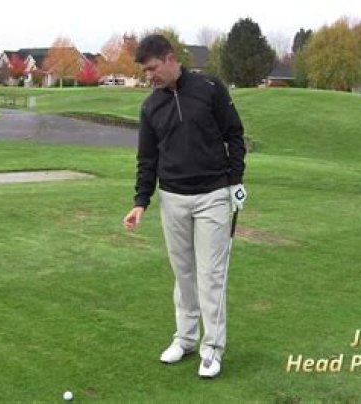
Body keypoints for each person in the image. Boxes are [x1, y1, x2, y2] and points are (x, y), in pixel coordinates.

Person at [123, 34, 247, 378]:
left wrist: (235, 181)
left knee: (211, 275)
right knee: (183, 273)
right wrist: (141, 201)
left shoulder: (209, 88)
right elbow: (147, 159)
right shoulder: (150, 107)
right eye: (146, 71)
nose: (149, 76)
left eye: (153, 69)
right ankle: (186, 338)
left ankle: (212, 349)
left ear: (170, 58)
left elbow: (234, 135)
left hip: (212, 196)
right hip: (173, 198)